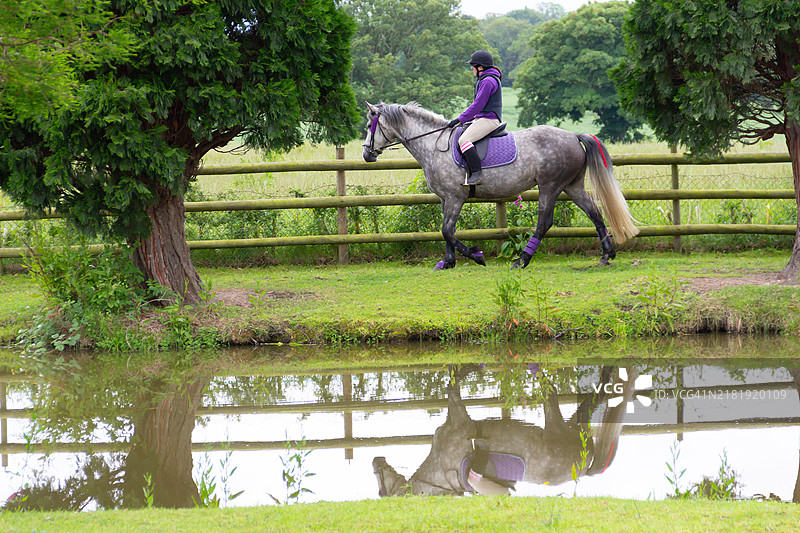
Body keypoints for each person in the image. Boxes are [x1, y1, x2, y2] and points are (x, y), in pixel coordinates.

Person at [448, 50, 503, 186]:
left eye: (473, 66)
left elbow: (477, 105)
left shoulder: (488, 81)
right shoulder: (484, 79)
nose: (471, 68)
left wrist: (459, 119)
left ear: (480, 67)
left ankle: (477, 174)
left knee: (464, 140)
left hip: (489, 120)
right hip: (482, 118)